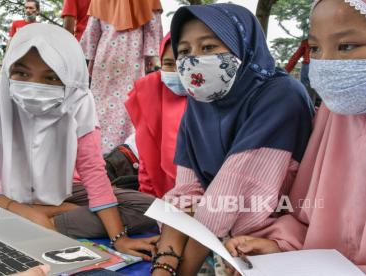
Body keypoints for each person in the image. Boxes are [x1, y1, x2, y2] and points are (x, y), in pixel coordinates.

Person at [0, 23, 159, 260]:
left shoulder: (79, 101)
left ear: (70, 79)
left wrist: (119, 238)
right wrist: (18, 208)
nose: (34, 86)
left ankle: (31, 220)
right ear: (8, 70)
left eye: (51, 77)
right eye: (22, 73)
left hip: (64, 192)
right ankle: (38, 219)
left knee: (149, 209)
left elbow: (93, 171)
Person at [151, 4, 314, 276]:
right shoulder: (201, 100)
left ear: (242, 44)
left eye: (208, 48)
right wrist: (163, 266)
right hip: (217, 233)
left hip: (274, 237)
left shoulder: (282, 95)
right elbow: (186, 192)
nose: (194, 61)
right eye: (184, 51)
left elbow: (228, 195)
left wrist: (182, 272)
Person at [225, 0, 366, 273]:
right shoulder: (335, 115)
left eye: (346, 46)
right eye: (315, 48)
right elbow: (309, 214)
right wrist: (281, 247)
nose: (326, 63)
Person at [80, 0, 163, 153]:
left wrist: (91, 59)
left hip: (105, 58)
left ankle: (99, 150)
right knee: (130, 102)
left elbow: (92, 32)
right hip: (134, 58)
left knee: (101, 104)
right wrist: (151, 57)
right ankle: (127, 152)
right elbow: (152, 28)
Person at [125, 33, 187, 198]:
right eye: (168, 64)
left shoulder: (211, 101)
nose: (177, 72)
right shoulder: (150, 93)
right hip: (158, 198)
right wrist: (149, 200)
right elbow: (146, 159)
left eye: (183, 64)